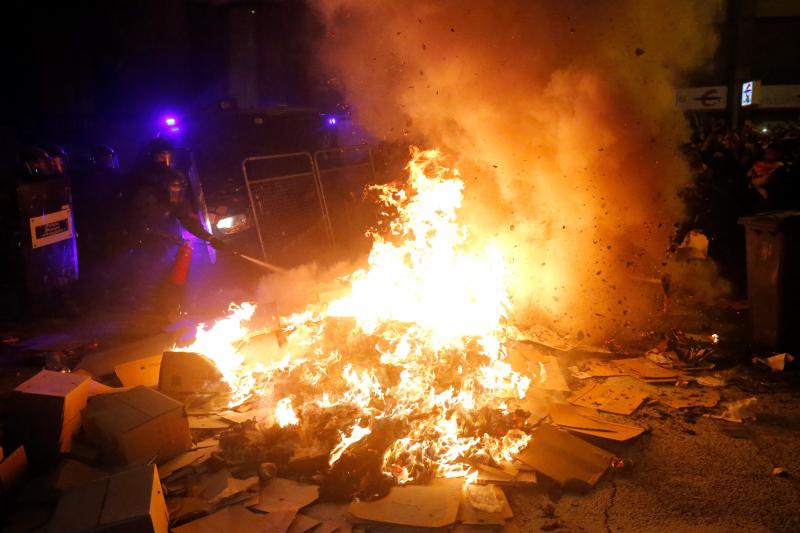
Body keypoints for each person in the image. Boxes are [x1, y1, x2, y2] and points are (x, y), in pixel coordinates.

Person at [120, 137, 224, 319]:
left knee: (174, 276)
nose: (175, 191)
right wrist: (152, 234)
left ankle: (169, 311)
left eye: (168, 155)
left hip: (166, 241)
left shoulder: (173, 180)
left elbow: (184, 215)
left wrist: (209, 238)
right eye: (161, 155)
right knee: (148, 278)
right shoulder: (141, 182)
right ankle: (146, 316)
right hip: (145, 241)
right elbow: (135, 216)